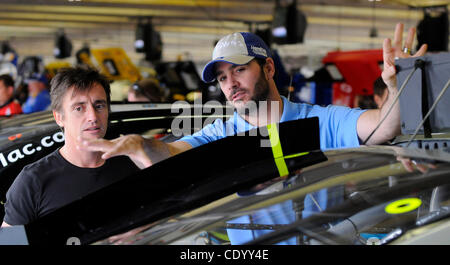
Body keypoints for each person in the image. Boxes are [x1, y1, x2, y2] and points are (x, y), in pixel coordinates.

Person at [78, 23, 427, 169]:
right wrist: (141, 145)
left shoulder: (321, 120)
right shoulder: (220, 134)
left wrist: (397, 87)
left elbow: (382, 128)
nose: (230, 84)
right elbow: (170, 153)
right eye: (222, 77)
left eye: (240, 70)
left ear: (269, 69)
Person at [1, 66, 140, 227]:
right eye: (79, 108)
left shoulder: (132, 163)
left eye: (99, 106)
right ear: (59, 117)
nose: (93, 117)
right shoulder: (32, 182)